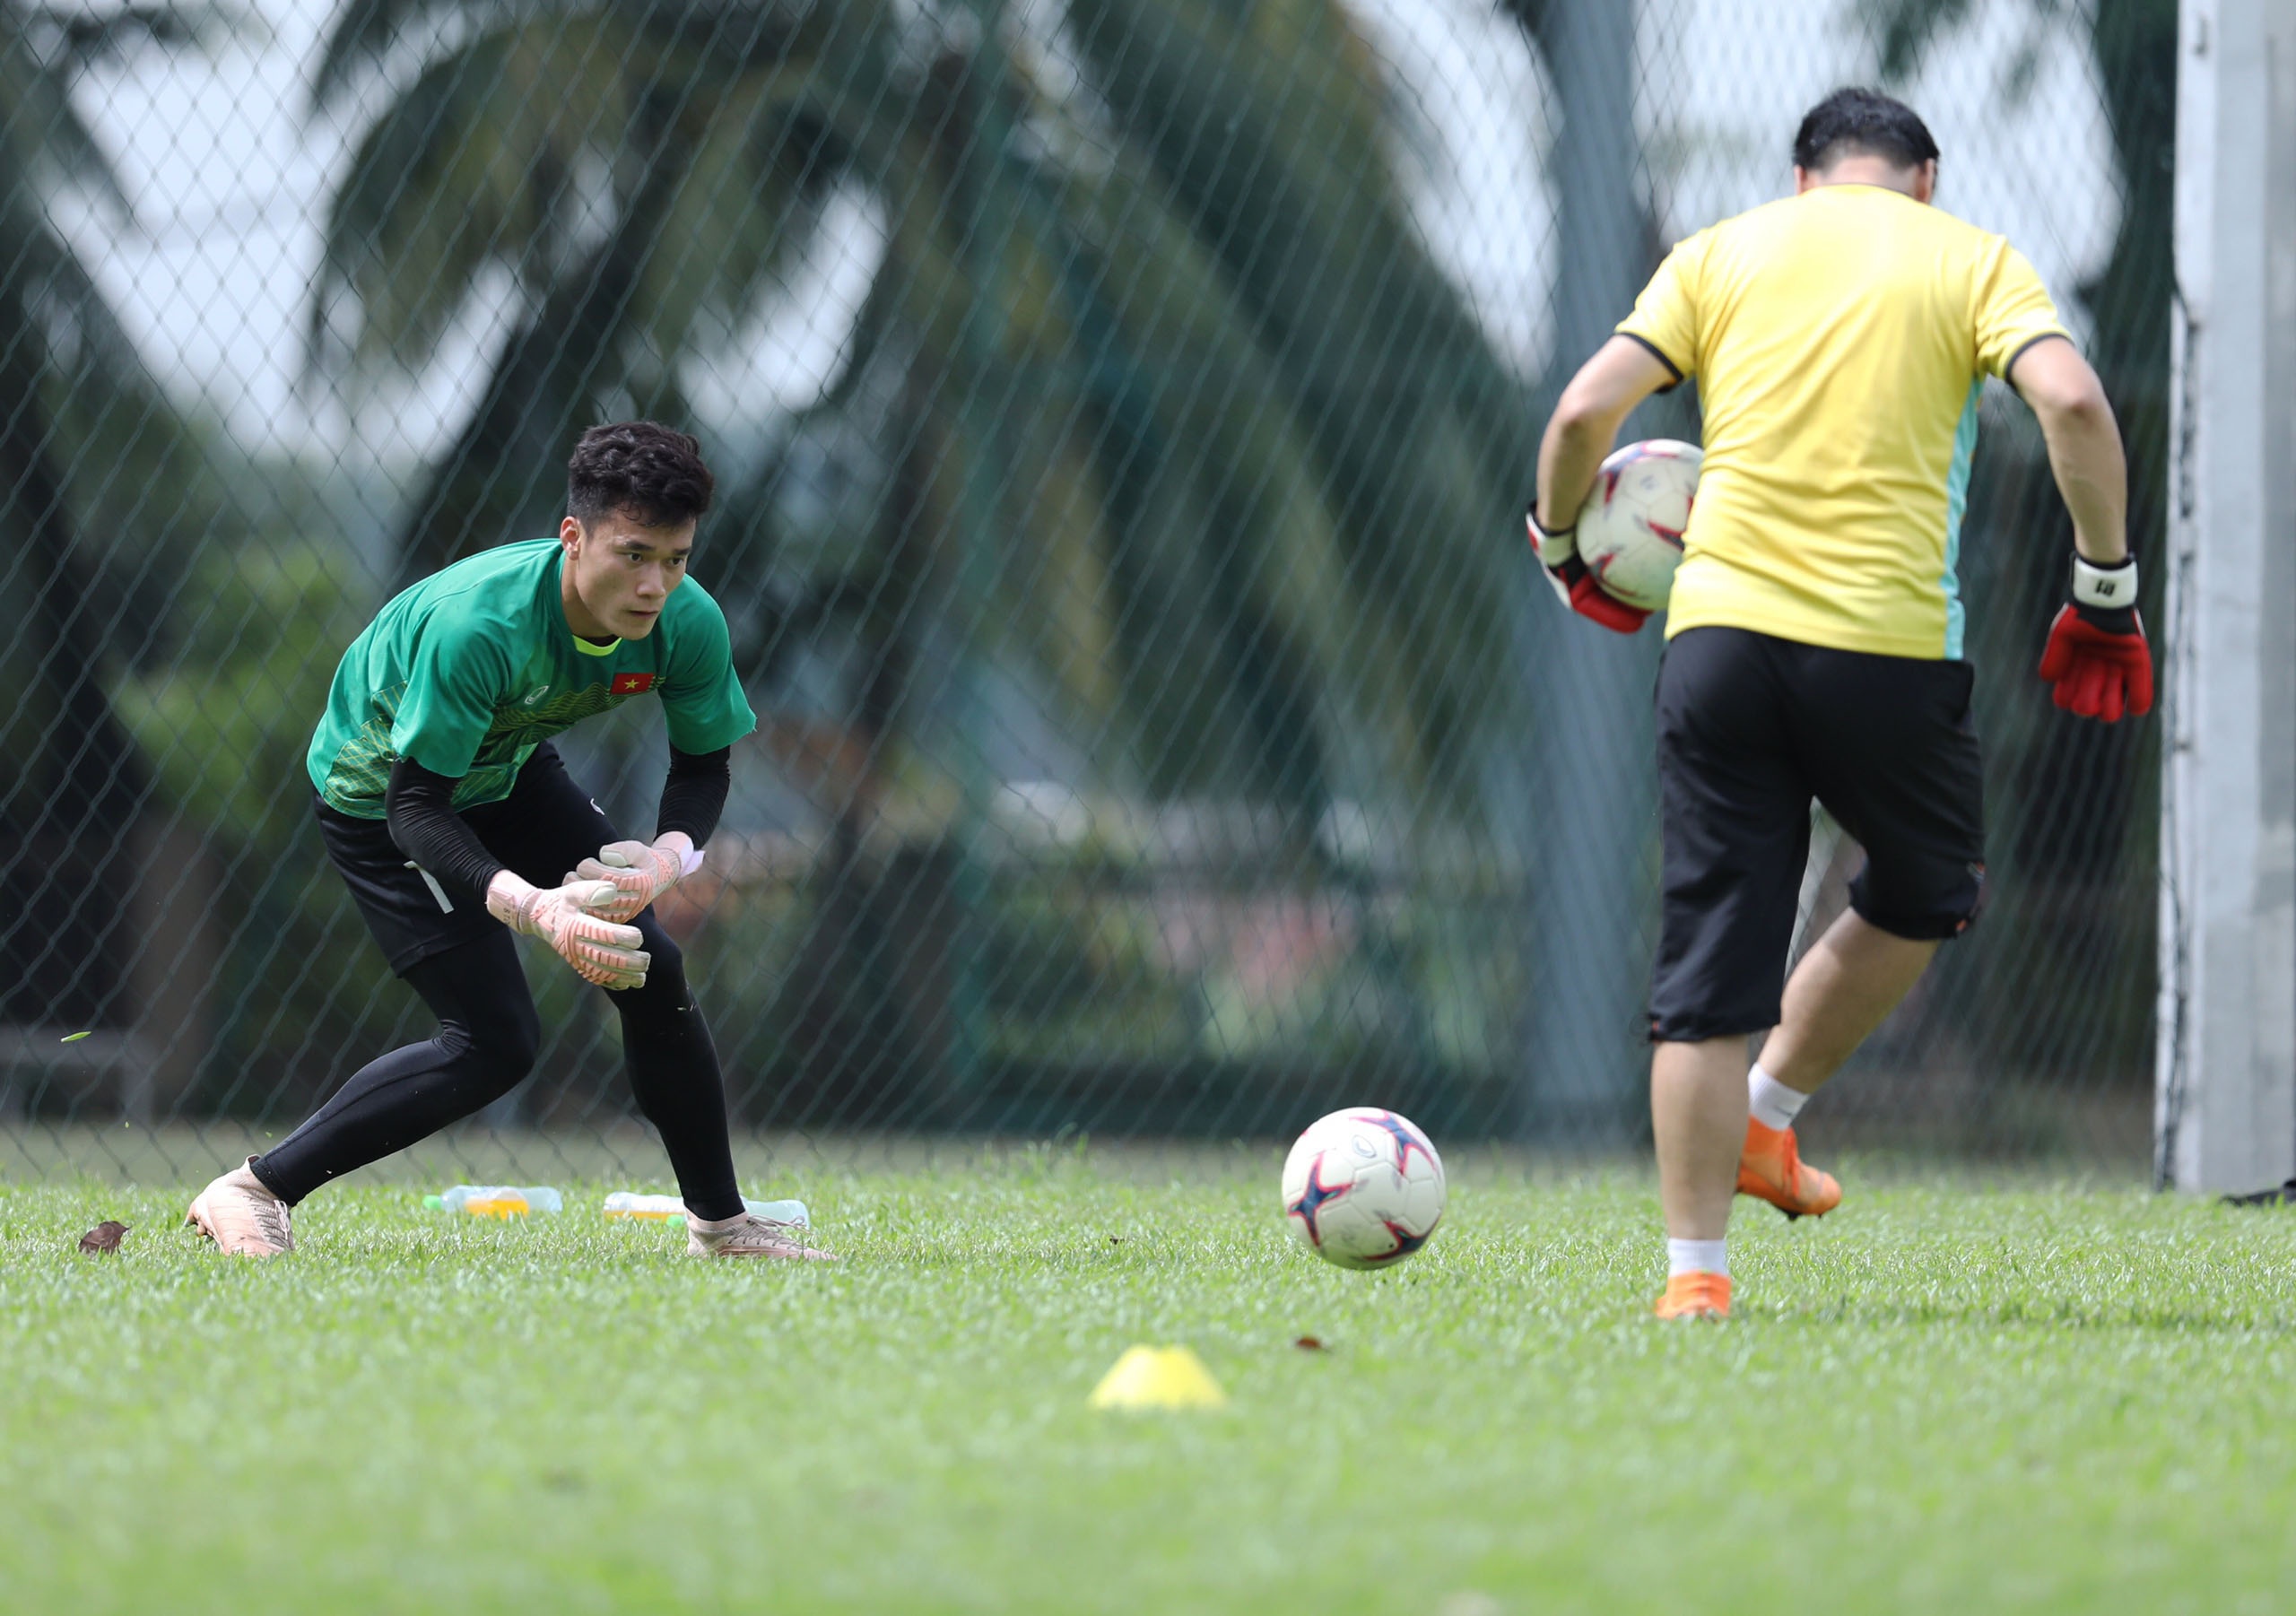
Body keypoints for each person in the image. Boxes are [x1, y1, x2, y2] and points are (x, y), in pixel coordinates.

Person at [1526, 88, 2149, 1319]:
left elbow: (1583, 411)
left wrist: (1559, 544)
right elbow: (2074, 403)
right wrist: (2104, 590)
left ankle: (1695, 1276)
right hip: (1887, 652)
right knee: (1930, 884)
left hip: (1718, 645)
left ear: (1803, 179)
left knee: (1707, 964)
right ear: (1925, 179)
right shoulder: (1970, 258)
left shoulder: (1720, 252)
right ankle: (1769, 1113)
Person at [186, 421, 830, 1261]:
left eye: (675, 559)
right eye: (633, 555)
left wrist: (666, 860)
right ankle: (253, 1189)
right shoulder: (479, 626)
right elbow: (416, 807)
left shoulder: (687, 620)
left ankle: (722, 1226)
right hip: (380, 796)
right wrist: (536, 910)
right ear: (574, 538)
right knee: (493, 1043)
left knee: (651, 967)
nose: (655, 585)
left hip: (508, 769)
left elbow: (704, 768)